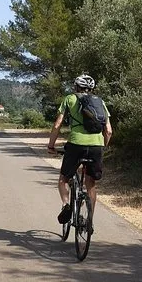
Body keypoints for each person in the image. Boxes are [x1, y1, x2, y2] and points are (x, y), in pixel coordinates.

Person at [48, 74, 113, 224]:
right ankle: (89, 220)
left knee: (64, 179)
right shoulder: (100, 102)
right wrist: (102, 147)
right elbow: (109, 131)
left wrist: (51, 145)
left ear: (76, 86)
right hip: (96, 145)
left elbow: (57, 124)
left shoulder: (69, 99)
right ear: (92, 88)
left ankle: (66, 204)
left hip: (76, 144)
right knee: (91, 183)